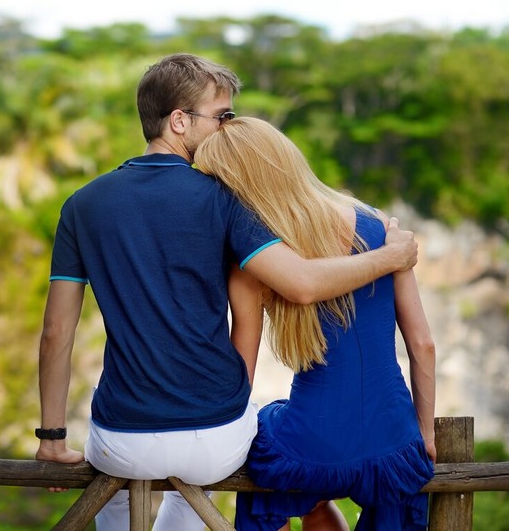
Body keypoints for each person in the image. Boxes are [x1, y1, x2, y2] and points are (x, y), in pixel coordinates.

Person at [35, 53, 419, 531]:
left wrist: (52, 437)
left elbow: (56, 333)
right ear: (179, 121)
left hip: (123, 437)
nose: (228, 127)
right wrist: (389, 257)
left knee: (111, 488)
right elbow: (301, 283)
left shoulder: (81, 205)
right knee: (199, 487)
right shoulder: (226, 199)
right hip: (215, 437)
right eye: (222, 116)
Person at [194, 116, 437, 531]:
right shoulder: (382, 228)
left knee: (269, 451)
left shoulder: (254, 260)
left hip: (312, 444)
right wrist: (425, 435)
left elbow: (242, 375)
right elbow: (423, 345)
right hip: (394, 441)